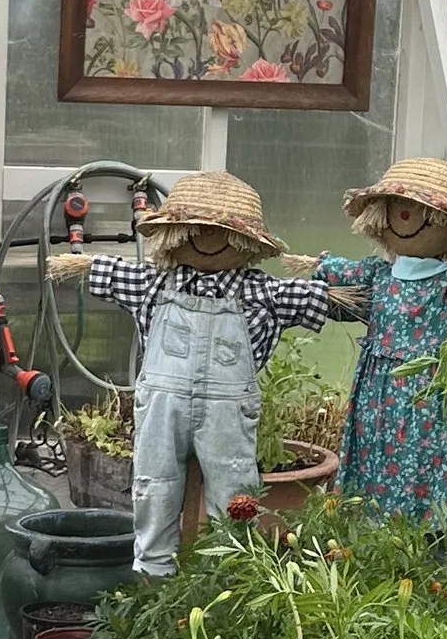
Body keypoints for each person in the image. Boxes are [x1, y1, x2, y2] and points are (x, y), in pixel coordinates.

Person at [49, 173, 331, 575]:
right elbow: (100, 269)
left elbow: (324, 298)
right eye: (196, 229)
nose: (206, 238)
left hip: (227, 416)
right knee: (154, 488)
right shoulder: (152, 282)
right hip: (163, 411)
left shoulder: (262, 292)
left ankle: (227, 581)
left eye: (220, 231)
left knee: (235, 494)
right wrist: (80, 264)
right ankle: (153, 575)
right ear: (176, 234)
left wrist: (346, 280)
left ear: (245, 243)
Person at [316, 158, 447, 524]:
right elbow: (333, 273)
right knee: (376, 458)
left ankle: (432, 554)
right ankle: (378, 547)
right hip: (378, 400)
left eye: (422, 211)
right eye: (399, 208)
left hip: (438, 398)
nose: (406, 217)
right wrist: (318, 267)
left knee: (429, 465)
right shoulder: (378, 276)